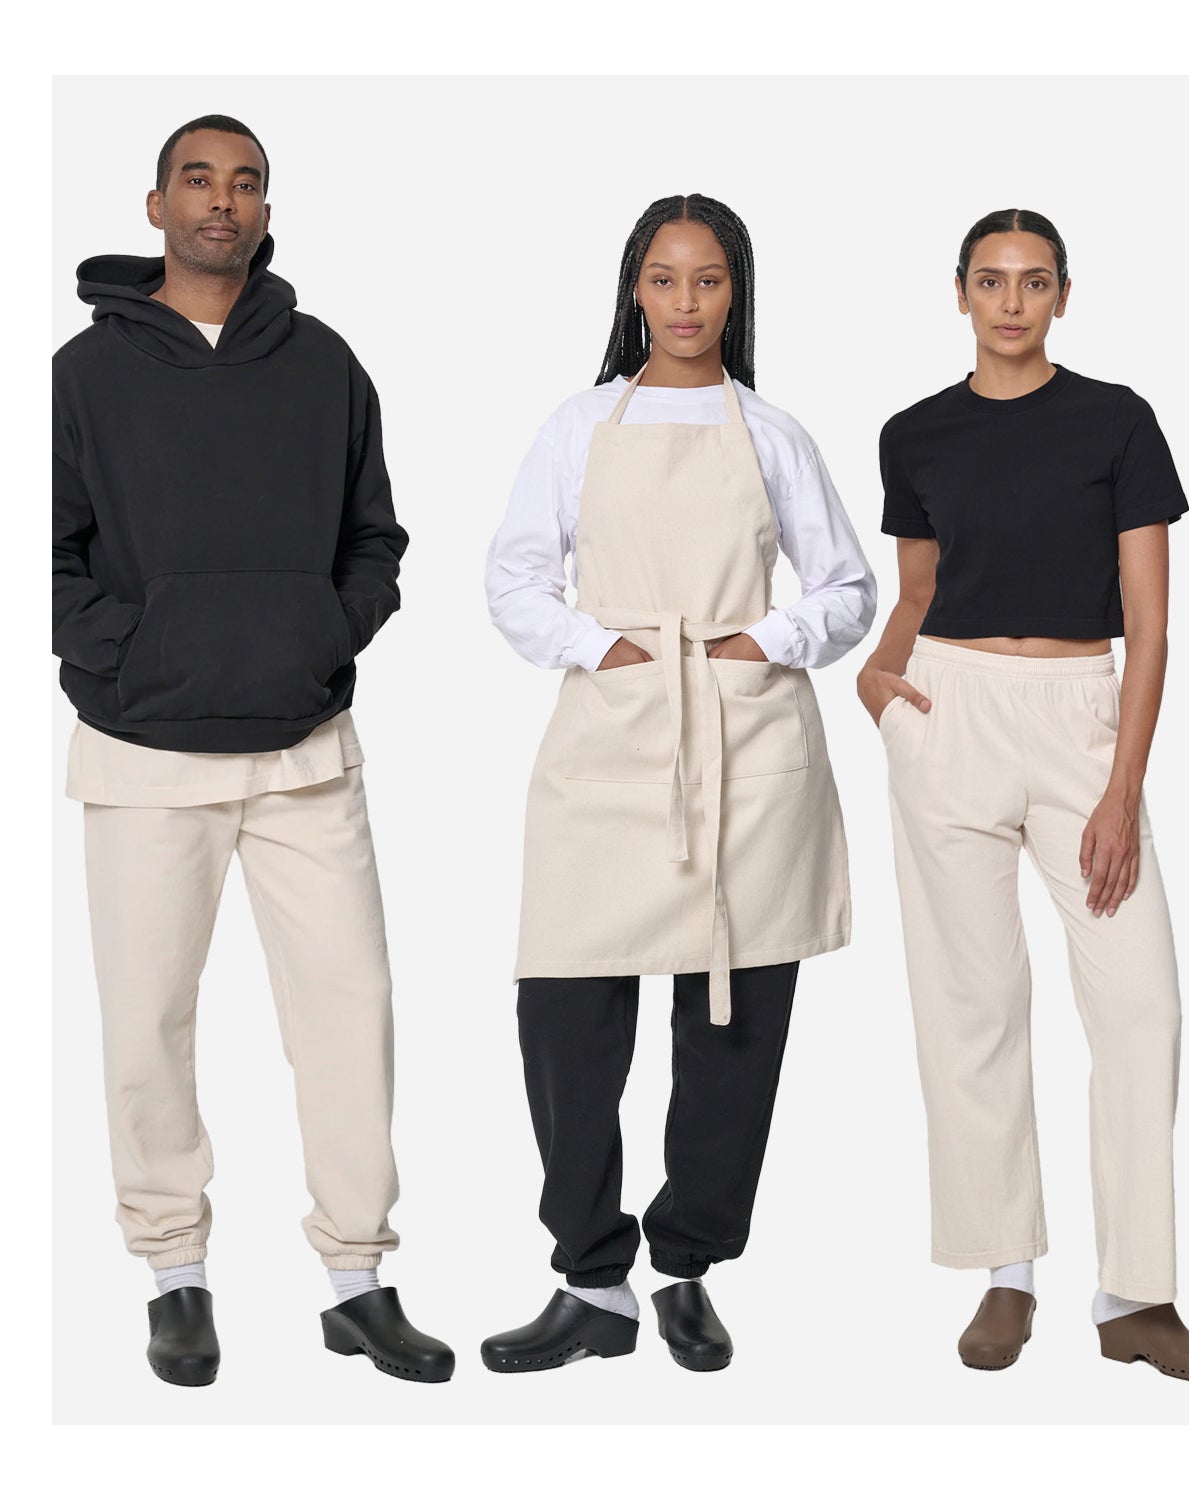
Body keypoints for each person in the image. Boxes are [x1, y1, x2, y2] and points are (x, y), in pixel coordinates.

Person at [53, 113, 450, 1388]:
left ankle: (357, 1278)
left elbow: (375, 538)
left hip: (303, 748)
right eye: (198, 180)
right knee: (147, 1024)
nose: (222, 200)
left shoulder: (326, 363)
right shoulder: (83, 373)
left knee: (350, 1013)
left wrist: (317, 636)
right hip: (142, 751)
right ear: (156, 206)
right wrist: (134, 653)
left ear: (266, 211)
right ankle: (174, 1271)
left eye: (245, 183)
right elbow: (46, 554)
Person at [479, 193, 875, 1374]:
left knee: (733, 1026)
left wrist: (765, 642)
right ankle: (591, 1281)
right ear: (634, 289)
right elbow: (513, 578)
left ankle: (687, 1266)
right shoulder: (578, 425)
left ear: (735, 291)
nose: (686, 302)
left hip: (743, 746)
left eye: (708, 279)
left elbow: (847, 587)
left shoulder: (774, 433)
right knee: (565, 1015)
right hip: (611, 739)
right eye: (664, 278)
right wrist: (599, 647)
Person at [859, 209, 1189, 1382]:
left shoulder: (1116, 420)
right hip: (948, 711)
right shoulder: (913, 433)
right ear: (960, 293)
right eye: (990, 281)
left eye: (1032, 282)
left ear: (1064, 295)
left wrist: (1124, 787)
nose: (1011, 302)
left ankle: (1135, 1294)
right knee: (972, 1003)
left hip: (1081, 715)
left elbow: (1152, 620)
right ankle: (1005, 1273)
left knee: (1142, 1007)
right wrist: (877, 676)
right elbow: (917, 590)